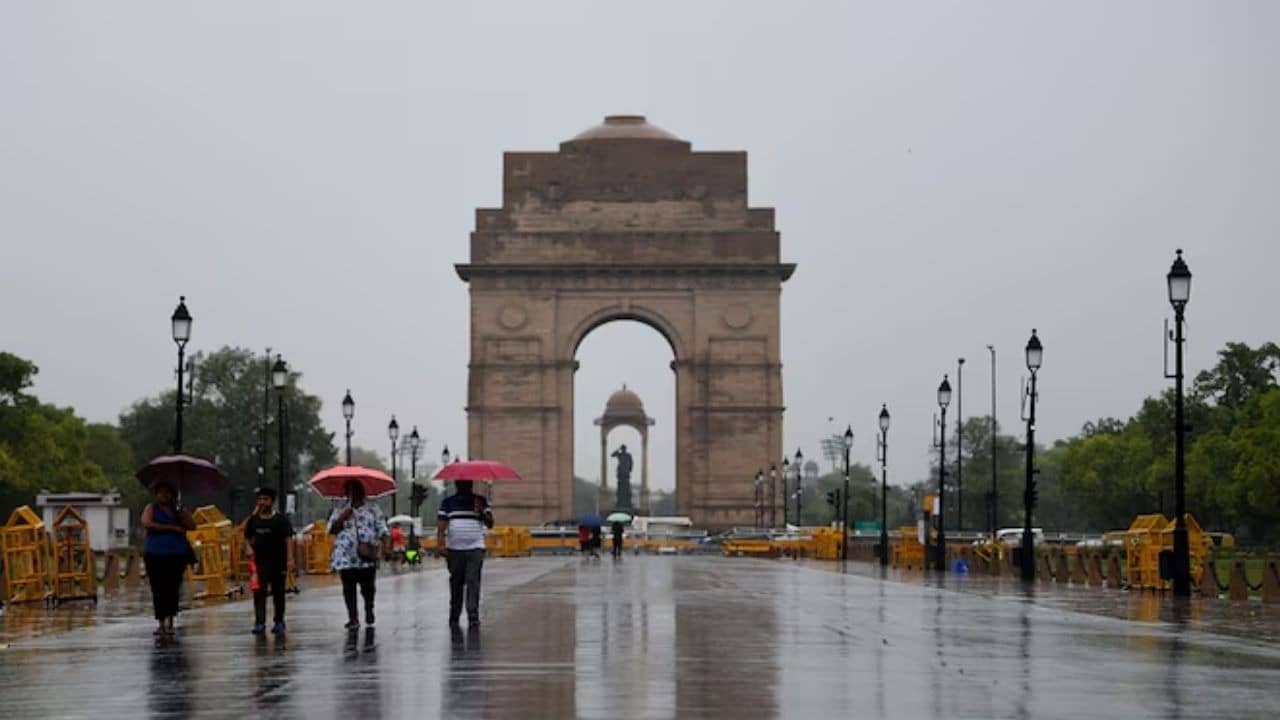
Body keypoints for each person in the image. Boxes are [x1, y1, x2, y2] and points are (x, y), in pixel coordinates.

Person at [329, 480, 390, 630]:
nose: (351, 493)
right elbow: (332, 529)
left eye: (354, 489)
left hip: (366, 556)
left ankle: (369, 608)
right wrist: (343, 517)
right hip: (345, 557)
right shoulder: (340, 508)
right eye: (348, 490)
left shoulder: (372, 508)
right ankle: (353, 618)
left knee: (368, 588)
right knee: (348, 588)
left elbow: (382, 529)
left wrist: (386, 547)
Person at [140, 481, 196, 637]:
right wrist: (171, 528)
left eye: (167, 493)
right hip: (155, 554)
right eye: (160, 492)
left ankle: (170, 620)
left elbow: (192, 525)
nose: (164, 496)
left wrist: (182, 512)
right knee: (158, 588)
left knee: (173, 588)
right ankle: (161, 621)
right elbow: (146, 523)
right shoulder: (151, 508)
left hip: (176, 554)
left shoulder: (178, 510)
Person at [437, 480, 494, 628]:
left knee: (473, 581)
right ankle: (454, 615)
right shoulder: (448, 503)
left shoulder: (480, 501)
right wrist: (441, 544)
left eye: (467, 484)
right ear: (457, 485)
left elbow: (490, 524)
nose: (465, 487)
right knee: (456, 582)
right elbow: (441, 526)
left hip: (475, 548)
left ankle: (472, 615)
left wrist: (481, 511)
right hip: (454, 549)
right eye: (462, 484)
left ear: (471, 485)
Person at [243, 487, 293, 635]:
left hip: (278, 561)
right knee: (259, 592)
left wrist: (290, 559)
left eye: (265, 499)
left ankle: (279, 621)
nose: (262, 502)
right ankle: (259, 622)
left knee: (278, 592)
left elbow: (289, 539)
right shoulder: (253, 520)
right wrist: (248, 548)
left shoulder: (281, 520)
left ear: (272, 501)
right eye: (259, 499)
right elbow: (246, 537)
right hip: (259, 562)